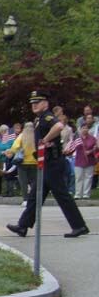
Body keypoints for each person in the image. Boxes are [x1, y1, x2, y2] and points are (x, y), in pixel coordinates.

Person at [7, 91, 89, 238]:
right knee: (35, 196)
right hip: (46, 162)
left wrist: (45, 140)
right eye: (32, 103)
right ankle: (23, 225)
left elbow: (59, 126)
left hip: (53, 162)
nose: (34, 105)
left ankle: (79, 226)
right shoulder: (40, 119)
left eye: (37, 102)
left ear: (45, 103)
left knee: (61, 195)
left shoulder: (47, 117)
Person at [65, 118, 97, 199]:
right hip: (79, 160)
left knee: (88, 177)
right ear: (80, 129)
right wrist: (67, 151)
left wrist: (91, 151)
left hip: (89, 160)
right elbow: (72, 148)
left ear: (88, 129)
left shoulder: (93, 139)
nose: (85, 129)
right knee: (78, 178)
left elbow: (96, 148)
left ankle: (86, 194)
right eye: (83, 128)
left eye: (86, 128)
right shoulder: (77, 139)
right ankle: (78, 194)